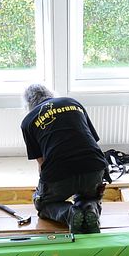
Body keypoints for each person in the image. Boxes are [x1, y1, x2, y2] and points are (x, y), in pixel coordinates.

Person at [19, 84, 109, 234]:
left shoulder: (27, 121)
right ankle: (91, 209)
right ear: (51, 94)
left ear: (28, 104)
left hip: (59, 173)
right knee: (89, 196)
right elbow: (92, 141)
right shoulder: (73, 103)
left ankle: (70, 214)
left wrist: (45, 192)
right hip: (94, 168)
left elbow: (42, 165)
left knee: (42, 204)